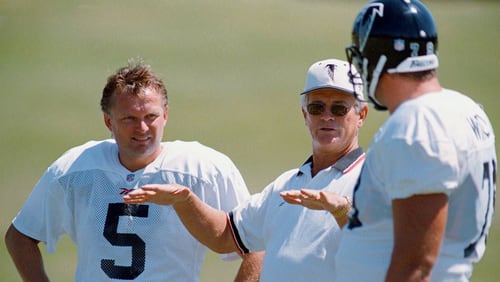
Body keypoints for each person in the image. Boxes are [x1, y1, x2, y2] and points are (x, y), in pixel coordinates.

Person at [4, 58, 262, 281]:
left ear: (166, 115)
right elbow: (20, 236)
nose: (142, 128)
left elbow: (256, 246)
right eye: (129, 119)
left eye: (150, 116)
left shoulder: (203, 170)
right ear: (108, 121)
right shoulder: (75, 169)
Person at [123, 58, 369, 281]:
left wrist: (343, 212)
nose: (327, 117)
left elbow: (379, 251)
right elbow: (225, 236)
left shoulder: (373, 179)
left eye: (339, 108)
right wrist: (185, 200)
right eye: (317, 108)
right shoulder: (286, 185)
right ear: (305, 114)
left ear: (361, 115)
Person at [331, 0, 497, 281]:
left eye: (362, 57)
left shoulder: (416, 126)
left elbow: (416, 265)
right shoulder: (464, 108)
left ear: (378, 57)